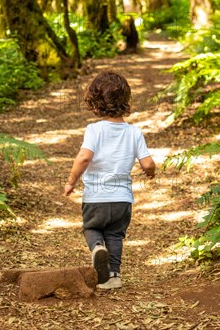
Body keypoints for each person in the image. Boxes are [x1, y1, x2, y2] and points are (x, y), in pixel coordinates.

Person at [63, 71, 156, 290]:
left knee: (91, 228)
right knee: (115, 235)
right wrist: (151, 173)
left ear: (96, 104)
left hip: (96, 197)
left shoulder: (94, 130)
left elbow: (84, 157)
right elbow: (148, 164)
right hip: (122, 199)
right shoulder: (134, 132)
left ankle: (96, 248)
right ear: (126, 101)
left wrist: (71, 181)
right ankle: (114, 276)